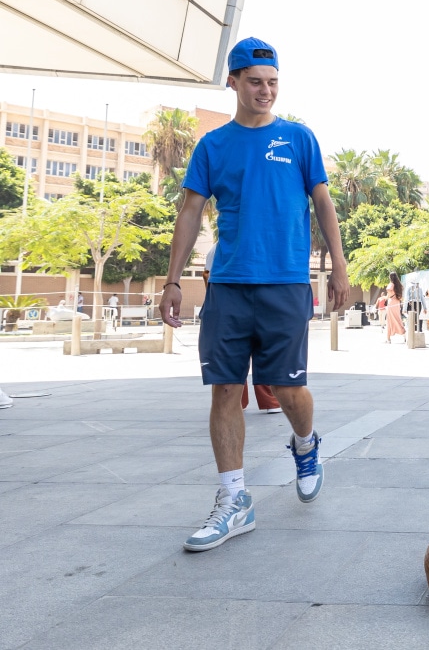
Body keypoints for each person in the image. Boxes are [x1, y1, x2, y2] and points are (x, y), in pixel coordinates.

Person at [158, 37, 350, 552]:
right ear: (234, 83)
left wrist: (338, 267)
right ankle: (234, 501)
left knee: (287, 392)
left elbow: (324, 206)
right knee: (225, 389)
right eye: (255, 82)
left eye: (272, 83)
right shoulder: (213, 146)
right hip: (228, 285)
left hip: (286, 283)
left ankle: (306, 445)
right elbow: (190, 213)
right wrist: (173, 280)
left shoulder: (299, 138)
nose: (265, 91)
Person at [203, 243, 282, 415]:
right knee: (260, 352)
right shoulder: (252, 244)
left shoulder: (216, 249)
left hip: (228, 305)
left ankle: (241, 401)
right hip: (250, 302)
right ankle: (267, 401)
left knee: (237, 357)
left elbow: (207, 278)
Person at [385, 272, 406, 343]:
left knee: (389, 320)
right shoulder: (398, 285)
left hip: (391, 303)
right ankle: (404, 334)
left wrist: (385, 297)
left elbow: (388, 292)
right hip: (397, 303)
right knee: (397, 318)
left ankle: (388, 338)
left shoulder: (391, 284)